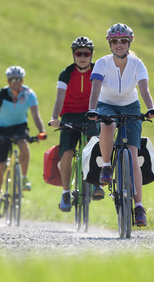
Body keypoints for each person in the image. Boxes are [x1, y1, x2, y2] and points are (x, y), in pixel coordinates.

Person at [86, 23, 154, 227]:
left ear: (129, 43)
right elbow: (95, 89)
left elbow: (144, 89)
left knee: (133, 155)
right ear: (110, 43)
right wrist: (93, 109)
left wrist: (151, 108)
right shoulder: (102, 63)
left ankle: (139, 207)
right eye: (115, 41)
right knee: (107, 126)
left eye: (123, 41)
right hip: (106, 104)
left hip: (131, 105)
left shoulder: (137, 64)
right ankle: (107, 166)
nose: (119, 44)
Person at [0, 66, 47, 218]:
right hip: (2, 129)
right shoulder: (1, 94)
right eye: (13, 80)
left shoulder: (29, 94)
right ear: (8, 81)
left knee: (23, 144)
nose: (16, 82)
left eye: (19, 79)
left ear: (22, 80)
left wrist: (42, 130)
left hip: (20, 127)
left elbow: (35, 115)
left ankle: (24, 178)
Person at [49, 37, 103, 212]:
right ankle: (65, 193)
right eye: (78, 53)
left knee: (94, 146)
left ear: (91, 55)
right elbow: (59, 97)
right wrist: (54, 117)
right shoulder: (66, 73)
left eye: (86, 54)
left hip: (90, 114)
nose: (82, 57)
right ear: (73, 55)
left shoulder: (97, 70)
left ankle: (95, 183)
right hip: (69, 116)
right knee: (67, 154)